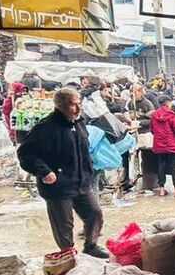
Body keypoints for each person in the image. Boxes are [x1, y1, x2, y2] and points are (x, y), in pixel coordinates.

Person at [17, 87, 108, 258]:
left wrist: (89, 168)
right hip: (58, 186)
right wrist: (44, 171)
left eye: (78, 103)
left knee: (94, 213)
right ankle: (68, 254)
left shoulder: (78, 123)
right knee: (64, 225)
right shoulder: (45, 127)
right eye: (73, 105)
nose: (78, 108)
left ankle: (91, 245)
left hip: (81, 181)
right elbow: (25, 153)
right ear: (61, 105)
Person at [149, 95, 175, 197]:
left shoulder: (154, 115)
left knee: (161, 166)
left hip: (159, 145)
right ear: (167, 103)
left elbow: (152, 130)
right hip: (171, 146)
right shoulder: (172, 116)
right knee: (174, 167)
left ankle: (161, 189)